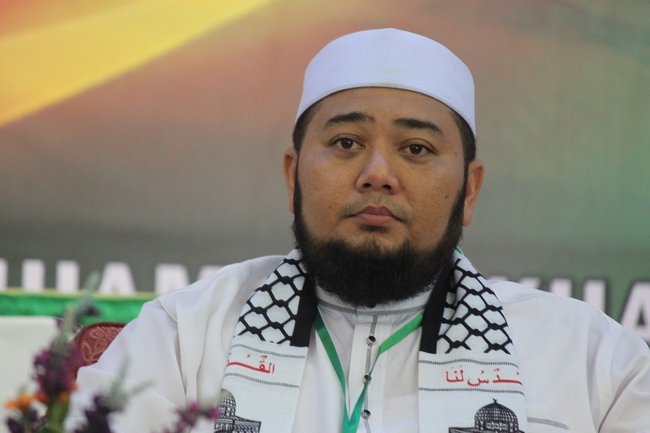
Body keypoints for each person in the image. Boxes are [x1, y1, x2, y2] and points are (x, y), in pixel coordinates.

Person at [68, 28, 650, 433]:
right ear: (293, 174)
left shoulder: (592, 361)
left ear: (469, 190)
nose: (377, 174)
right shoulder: (184, 338)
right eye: (346, 142)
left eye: (416, 149)